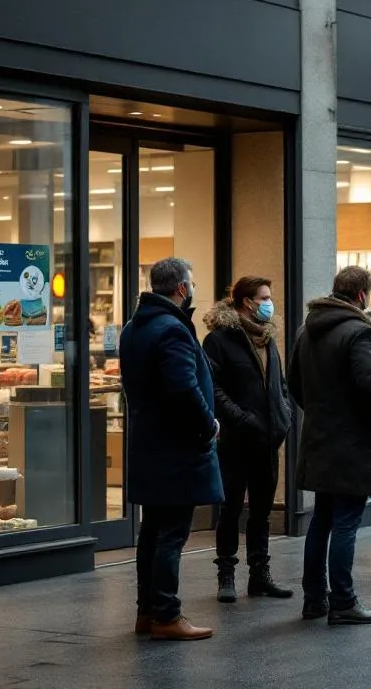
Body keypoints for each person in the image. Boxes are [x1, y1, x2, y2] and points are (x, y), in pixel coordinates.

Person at [290, 266, 371, 625]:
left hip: (320, 439)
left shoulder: (306, 330)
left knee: (321, 519)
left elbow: (294, 384)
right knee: (346, 522)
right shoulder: (360, 333)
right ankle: (342, 600)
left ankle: (313, 599)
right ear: (361, 296)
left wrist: (324, 413)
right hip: (355, 444)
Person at [119, 257, 223, 641]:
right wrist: (208, 424)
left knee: (153, 530)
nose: (192, 289)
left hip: (149, 443)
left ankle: (146, 611)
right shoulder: (172, 330)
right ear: (181, 288)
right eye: (191, 283)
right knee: (172, 534)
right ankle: (167, 613)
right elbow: (183, 388)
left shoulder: (134, 327)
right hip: (178, 447)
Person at [202, 276, 294, 604]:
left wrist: (284, 416)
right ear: (247, 302)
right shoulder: (220, 340)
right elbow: (212, 388)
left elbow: (279, 383)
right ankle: (226, 573)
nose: (270, 303)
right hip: (235, 440)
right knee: (230, 509)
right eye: (265, 297)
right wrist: (240, 419)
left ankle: (259, 575)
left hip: (268, 441)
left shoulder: (267, 338)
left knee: (261, 511)